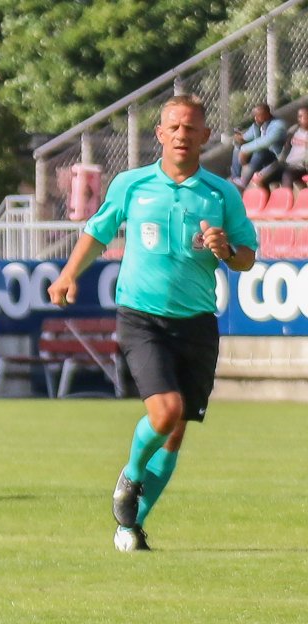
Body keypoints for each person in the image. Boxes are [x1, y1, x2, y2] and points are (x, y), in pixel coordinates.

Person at [48, 94, 257, 552]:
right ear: (160, 134)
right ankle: (131, 474)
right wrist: (68, 274)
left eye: (191, 128)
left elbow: (246, 257)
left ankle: (131, 525)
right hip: (141, 317)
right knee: (165, 412)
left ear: (205, 136)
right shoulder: (132, 184)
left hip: (196, 322)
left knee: (175, 431)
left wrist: (225, 250)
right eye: (174, 127)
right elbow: (98, 232)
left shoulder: (221, 194)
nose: (182, 135)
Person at [231, 102, 287, 187]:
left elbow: (266, 142)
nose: (255, 118)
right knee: (238, 146)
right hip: (260, 159)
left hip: (275, 159)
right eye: (254, 116)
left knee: (261, 152)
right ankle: (235, 177)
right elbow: (247, 137)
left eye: (257, 115)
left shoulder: (278, 125)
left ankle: (244, 182)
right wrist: (240, 138)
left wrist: (244, 149)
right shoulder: (259, 124)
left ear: (266, 114)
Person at [253, 105, 308, 192]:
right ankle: (268, 198)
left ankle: (286, 198)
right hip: (285, 163)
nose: (299, 119)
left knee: (287, 175)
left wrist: (303, 143)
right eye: (299, 116)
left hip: (300, 166)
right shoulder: (294, 130)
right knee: (260, 177)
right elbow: (284, 148)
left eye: (303, 116)